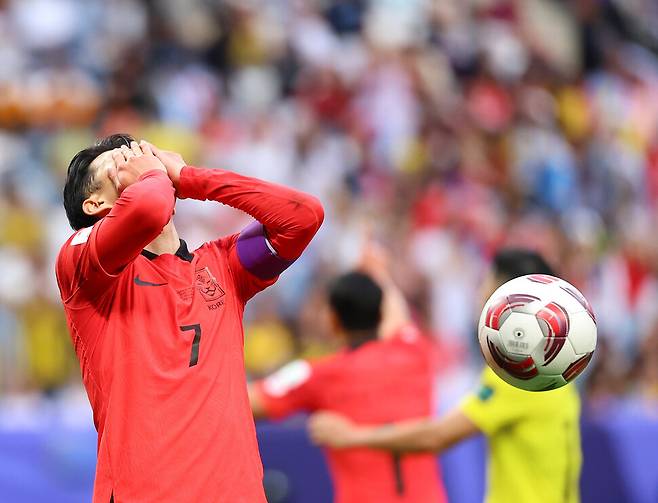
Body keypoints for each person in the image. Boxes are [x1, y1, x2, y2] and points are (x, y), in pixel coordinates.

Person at [55, 134, 323, 503]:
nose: (138, 161)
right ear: (94, 204)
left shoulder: (225, 266)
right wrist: (153, 177)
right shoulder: (82, 265)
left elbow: (303, 216)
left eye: (143, 154)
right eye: (119, 164)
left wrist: (188, 176)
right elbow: (148, 208)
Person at [309, 249, 582, 503]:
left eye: (485, 282)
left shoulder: (518, 377)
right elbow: (401, 329)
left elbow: (438, 436)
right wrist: (381, 276)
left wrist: (352, 436)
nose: (479, 294)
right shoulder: (553, 369)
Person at [248, 243, 448, 503]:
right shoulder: (414, 351)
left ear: (333, 321)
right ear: (380, 313)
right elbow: (397, 315)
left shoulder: (317, 374)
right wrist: (378, 272)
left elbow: (246, 402)